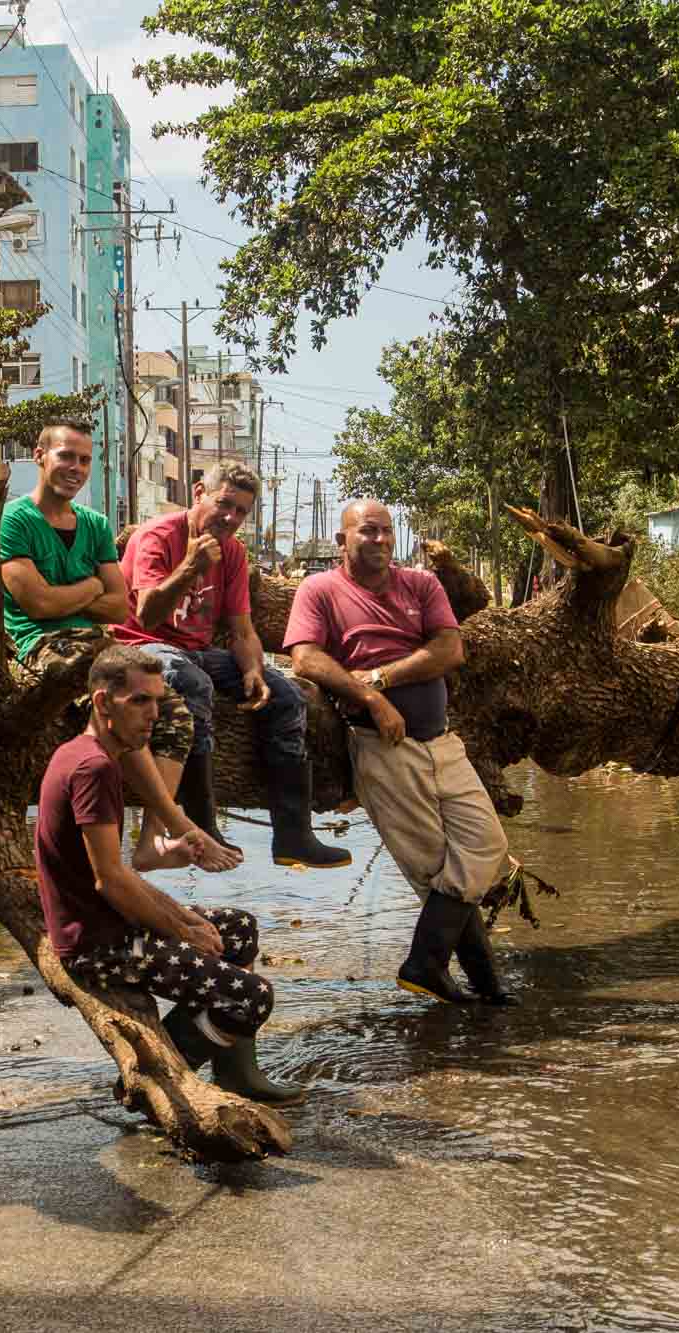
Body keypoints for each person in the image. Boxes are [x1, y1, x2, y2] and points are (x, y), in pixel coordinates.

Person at [35, 644, 304, 1104]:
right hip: (100, 945)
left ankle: (235, 1072)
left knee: (238, 928)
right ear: (102, 703)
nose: (154, 714)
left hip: (110, 924)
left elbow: (119, 875)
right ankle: (154, 1077)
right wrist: (183, 929)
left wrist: (185, 919)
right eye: (140, 701)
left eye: (158, 700)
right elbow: (111, 881)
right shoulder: (94, 768)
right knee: (252, 998)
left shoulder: (95, 751)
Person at [282, 498, 517, 1006]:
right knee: (437, 870)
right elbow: (304, 658)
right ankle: (488, 989)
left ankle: (425, 963)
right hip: (382, 747)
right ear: (342, 539)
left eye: (387, 531)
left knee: (484, 846)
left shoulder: (420, 584)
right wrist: (370, 697)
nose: (381, 540)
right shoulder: (320, 589)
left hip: (443, 741)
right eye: (368, 531)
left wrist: (385, 676)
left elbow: (450, 650)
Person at [0, 419, 239, 872]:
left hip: (97, 643)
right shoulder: (15, 518)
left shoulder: (94, 524)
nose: (76, 467)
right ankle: (177, 819)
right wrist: (90, 587)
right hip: (41, 644)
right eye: (66, 456)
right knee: (120, 712)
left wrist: (69, 594)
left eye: (85, 459)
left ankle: (151, 842)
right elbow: (35, 603)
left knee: (169, 711)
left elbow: (116, 608)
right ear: (39, 456)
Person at [113, 462, 349, 869]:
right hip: (141, 645)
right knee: (193, 683)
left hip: (198, 651)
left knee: (288, 695)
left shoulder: (235, 552)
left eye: (241, 511)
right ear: (200, 492)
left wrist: (254, 671)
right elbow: (148, 614)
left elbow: (242, 630)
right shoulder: (158, 536)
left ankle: (293, 834)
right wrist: (191, 567)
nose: (230, 518)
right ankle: (202, 825)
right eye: (224, 504)